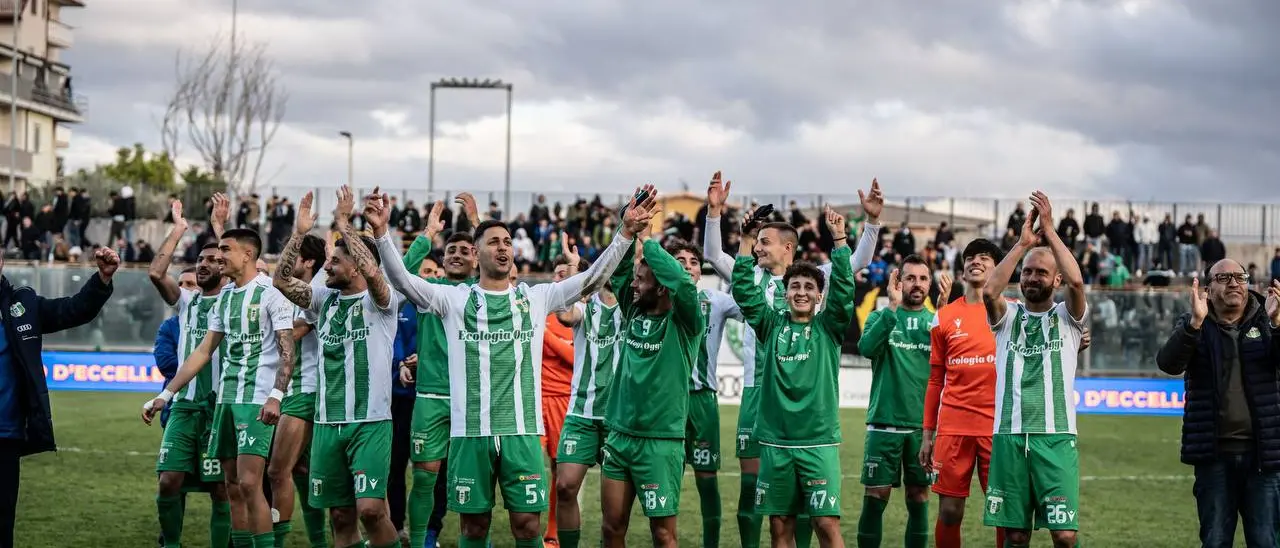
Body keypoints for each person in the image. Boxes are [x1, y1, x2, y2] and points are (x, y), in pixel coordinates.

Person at [374, 187, 655, 547]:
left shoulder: (534, 298)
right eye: (494, 242)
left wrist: (626, 233)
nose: (504, 247)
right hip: (470, 434)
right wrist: (382, 235)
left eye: (507, 241)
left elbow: (592, 279)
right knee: (473, 528)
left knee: (527, 527)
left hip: (522, 433)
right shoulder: (453, 299)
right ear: (477, 254)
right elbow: (400, 280)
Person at [702, 172, 883, 548]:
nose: (759, 248)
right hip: (758, 393)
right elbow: (714, 256)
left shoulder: (817, 279)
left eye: (765, 242)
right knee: (761, 496)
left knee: (808, 510)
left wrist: (871, 224)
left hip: (808, 405)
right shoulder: (750, 279)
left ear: (789, 248)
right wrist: (715, 215)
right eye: (758, 242)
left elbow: (856, 264)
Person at [143, 224, 298, 548]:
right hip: (225, 401)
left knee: (249, 482)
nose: (219, 257)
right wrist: (166, 394)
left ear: (248, 254)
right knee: (232, 486)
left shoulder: (271, 293)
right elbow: (203, 352)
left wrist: (276, 396)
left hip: (255, 402)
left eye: (225, 250)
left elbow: (288, 350)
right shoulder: (225, 297)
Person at [274, 186, 402, 548]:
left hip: (371, 422)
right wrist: (299, 233)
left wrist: (346, 224)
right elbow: (281, 281)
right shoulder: (323, 299)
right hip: (328, 421)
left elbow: (376, 274)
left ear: (357, 265)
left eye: (335, 260)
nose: (326, 265)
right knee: (341, 516)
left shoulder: (382, 302)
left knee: (372, 511)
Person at [731, 206, 855, 548]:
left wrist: (840, 240)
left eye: (809, 287)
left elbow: (844, 290)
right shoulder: (770, 326)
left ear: (818, 296)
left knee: (826, 525)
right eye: (795, 286)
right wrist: (745, 242)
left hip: (818, 443)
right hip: (776, 444)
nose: (801, 291)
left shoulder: (828, 328)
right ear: (785, 294)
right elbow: (743, 291)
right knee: (780, 525)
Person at [980, 192, 1087, 548]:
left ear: (1054, 281)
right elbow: (990, 290)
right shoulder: (1008, 317)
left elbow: (1077, 282)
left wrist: (1051, 232)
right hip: (1009, 436)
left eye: (1041, 272)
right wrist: (1022, 244)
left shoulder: (1067, 319)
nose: (1031, 277)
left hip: (1056, 437)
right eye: (1027, 272)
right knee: (1015, 536)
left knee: (1065, 536)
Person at [0, 245, 117, 548]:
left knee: (1, 527)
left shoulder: (21, 305)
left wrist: (101, 280)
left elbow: (73, 309)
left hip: (5, 436)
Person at [1156, 262, 1280, 548]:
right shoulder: (1194, 324)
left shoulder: (1266, 321)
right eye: (1224, 278)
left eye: (1240, 277)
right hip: (1214, 457)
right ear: (1209, 290)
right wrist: (1194, 325)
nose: (1234, 283)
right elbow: (1168, 363)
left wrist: (1277, 324)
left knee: (1265, 542)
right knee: (1214, 541)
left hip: (1263, 458)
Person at [599, 224, 704, 548]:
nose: (632, 284)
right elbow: (618, 271)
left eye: (640, 280)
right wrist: (628, 227)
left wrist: (650, 244)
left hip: (661, 443)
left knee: (663, 535)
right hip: (619, 438)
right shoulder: (633, 311)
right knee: (611, 529)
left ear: (660, 288)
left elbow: (683, 285)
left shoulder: (686, 323)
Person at [143, 197, 233, 548]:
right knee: (168, 480)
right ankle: (172, 544)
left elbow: (242, 267)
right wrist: (179, 229)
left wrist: (219, 228)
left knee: (221, 488)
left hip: (219, 408)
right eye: (201, 260)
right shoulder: (186, 302)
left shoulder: (235, 299)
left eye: (214, 259)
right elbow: (155, 272)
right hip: (182, 407)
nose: (205, 264)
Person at [397, 193, 480, 548]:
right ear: (442, 260)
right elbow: (398, 274)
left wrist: (478, 224)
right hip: (430, 397)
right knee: (425, 478)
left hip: (473, 400)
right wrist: (429, 233)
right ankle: (421, 540)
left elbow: (505, 267)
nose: (457, 255)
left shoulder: (487, 292)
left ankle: (475, 538)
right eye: (451, 251)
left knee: (472, 481)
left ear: (477, 257)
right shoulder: (430, 291)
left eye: (465, 250)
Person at [919, 238, 1007, 548]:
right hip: (953, 429)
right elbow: (934, 380)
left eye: (985, 257)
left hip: (998, 429)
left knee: (1002, 511)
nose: (975, 261)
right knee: (950, 511)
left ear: (998, 269)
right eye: (970, 257)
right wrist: (927, 435)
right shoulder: (943, 317)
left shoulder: (1013, 314)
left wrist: (1079, 337)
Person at [856, 257, 950, 548]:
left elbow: (951, 363)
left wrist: (945, 314)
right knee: (875, 497)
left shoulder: (936, 322)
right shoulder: (880, 316)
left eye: (923, 279)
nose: (917, 284)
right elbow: (866, 349)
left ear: (930, 285)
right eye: (910, 278)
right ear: (898, 282)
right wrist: (892, 308)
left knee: (919, 497)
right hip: (883, 425)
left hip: (921, 431)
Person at [671, 238, 740, 548]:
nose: (688, 266)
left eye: (693, 262)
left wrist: (747, 250)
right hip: (666, 403)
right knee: (664, 480)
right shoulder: (655, 299)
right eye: (680, 261)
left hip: (702, 401)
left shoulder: (716, 300)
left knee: (707, 480)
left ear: (701, 270)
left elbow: (750, 300)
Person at [268, 204, 330, 548]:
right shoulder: (296, 291)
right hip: (301, 389)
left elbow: (297, 331)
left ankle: (276, 543)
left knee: (278, 472)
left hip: (306, 391)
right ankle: (321, 542)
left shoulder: (317, 287)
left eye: (291, 256)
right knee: (304, 474)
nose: (284, 261)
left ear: (308, 262)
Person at [553, 259, 622, 548]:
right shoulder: (587, 305)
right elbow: (565, 317)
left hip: (618, 420)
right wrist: (571, 274)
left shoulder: (632, 307)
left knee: (614, 513)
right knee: (565, 487)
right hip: (580, 413)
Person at [541, 249, 580, 547]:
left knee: (559, 470)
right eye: (558, 274)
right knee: (522, 466)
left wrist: (545, 336)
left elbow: (573, 358)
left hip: (562, 401)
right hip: (532, 399)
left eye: (567, 274)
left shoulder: (578, 314)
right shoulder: (538, 310)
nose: (561, 279)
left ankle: (552, 533)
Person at [389, 296, 418, 544]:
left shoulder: (434, 300)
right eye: (426, 272)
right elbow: (391, 335)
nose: (431, 277)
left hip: (428, 397)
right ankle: (397, 525)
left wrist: (425, 355)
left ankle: (428, 530)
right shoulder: (396, 301)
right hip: (395, 397)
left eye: (433, 272)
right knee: (395, 465)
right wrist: (400, 362)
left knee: (429, 469)